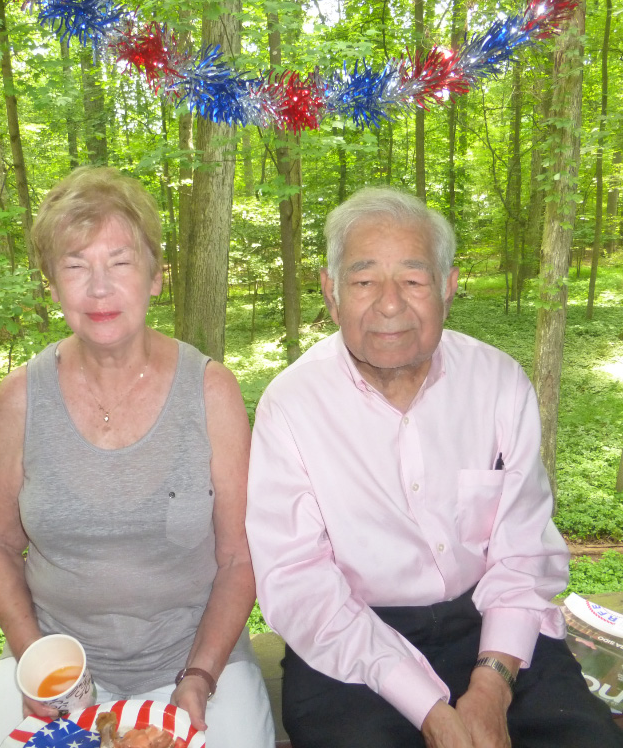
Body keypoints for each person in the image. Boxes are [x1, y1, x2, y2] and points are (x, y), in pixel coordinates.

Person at [245, 187, 623, 748]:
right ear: (331, 292)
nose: (389, 304)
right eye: (364, 281)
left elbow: (522, 551)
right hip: (352, 636)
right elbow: (298, 581)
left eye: (413, 280)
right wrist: (429, 707)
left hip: (491, 620)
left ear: (447, 288)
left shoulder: (498, 384)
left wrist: (491, 686)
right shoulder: (291, 405)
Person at [0, 167, 274, 748]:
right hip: (57, 666)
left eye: (120, 262)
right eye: (75, 266)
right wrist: (35, 657)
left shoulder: (211, 392)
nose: (99, 288)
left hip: (195, 665)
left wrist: (199, 676)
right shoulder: (20, 398)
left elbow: (240, 557)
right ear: (52, 286)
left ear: (156, 277)